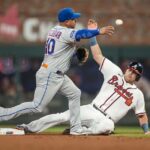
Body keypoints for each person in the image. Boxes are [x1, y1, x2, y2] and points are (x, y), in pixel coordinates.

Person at [16, 20, 150, 135]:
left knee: (108, 126)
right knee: (62, 116)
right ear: (127, 69)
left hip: (107, 120)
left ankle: (83, 131)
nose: (131, 73)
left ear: (137, 78)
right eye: (131, 70)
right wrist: (93, 34)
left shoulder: (137, 94)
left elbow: (142, 114)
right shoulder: (115, 71)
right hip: (92, 109)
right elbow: (97, 56)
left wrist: (146, 130)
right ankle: (29, 127)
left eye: (135, 74)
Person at [0, 8, 113, 135]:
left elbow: (59, 52)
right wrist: (98, 31)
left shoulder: (54, 30)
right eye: (73, 19)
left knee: (75, 93)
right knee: (37, 106)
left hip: (57, 74)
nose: (75, 20)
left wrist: (75, 54)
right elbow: (81, 34)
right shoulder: (65, 32)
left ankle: (76, 128)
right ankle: (2, 113)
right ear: (66, 21)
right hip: (51, 74)